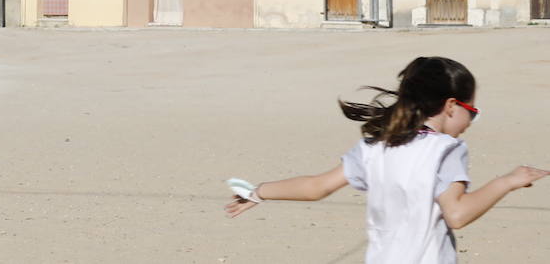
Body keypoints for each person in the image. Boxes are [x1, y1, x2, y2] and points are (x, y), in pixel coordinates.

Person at [225, 56, 549, 262]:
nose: (470, 122)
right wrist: (507, 181)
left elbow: (316, 187)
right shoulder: (446, 150)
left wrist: (258, 191)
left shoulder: (375, 148)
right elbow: (457, 214)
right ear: (451, 106)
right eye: (472, 112)